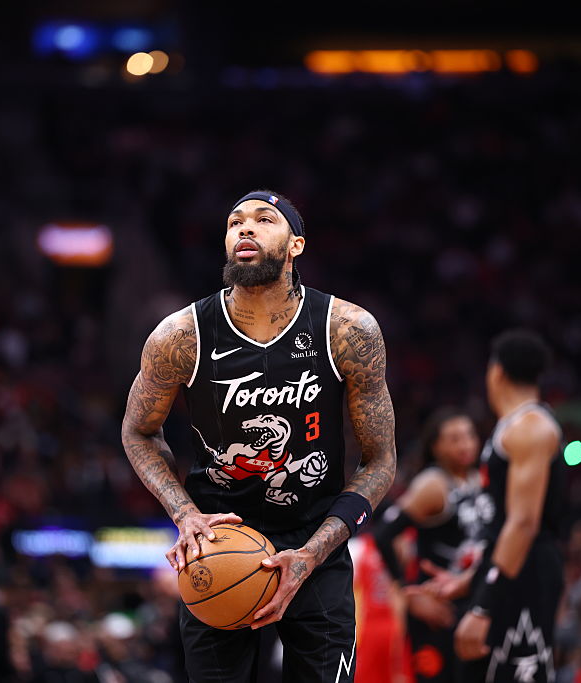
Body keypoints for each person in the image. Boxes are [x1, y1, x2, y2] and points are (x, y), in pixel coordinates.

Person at [121, 189, 396, 682]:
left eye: (263, 220)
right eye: (234, 223)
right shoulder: (181, 336)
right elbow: (138, 432)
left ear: (296, 246)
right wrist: (184, 514)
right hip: (219, 541)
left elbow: (379, 461)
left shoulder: (348, 330)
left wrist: (313, 554)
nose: (244, 229)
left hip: (316, 541)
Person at [409, 329, 565, 682]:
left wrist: (483, 605)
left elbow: (523, 524)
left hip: (528, 572)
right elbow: (503, 527)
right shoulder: (511, 427)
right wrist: (468, 581)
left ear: (496, 372)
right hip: (509, 571)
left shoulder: (531, 427)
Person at [372, 408, 483, 683]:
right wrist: (409, 595)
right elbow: (384, 534)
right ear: (436, 446)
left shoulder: (478, 478)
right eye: (455, 438)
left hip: (468, 601)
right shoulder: (433, 484)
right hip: (435, 607)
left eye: (469, 435)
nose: (466, 444)